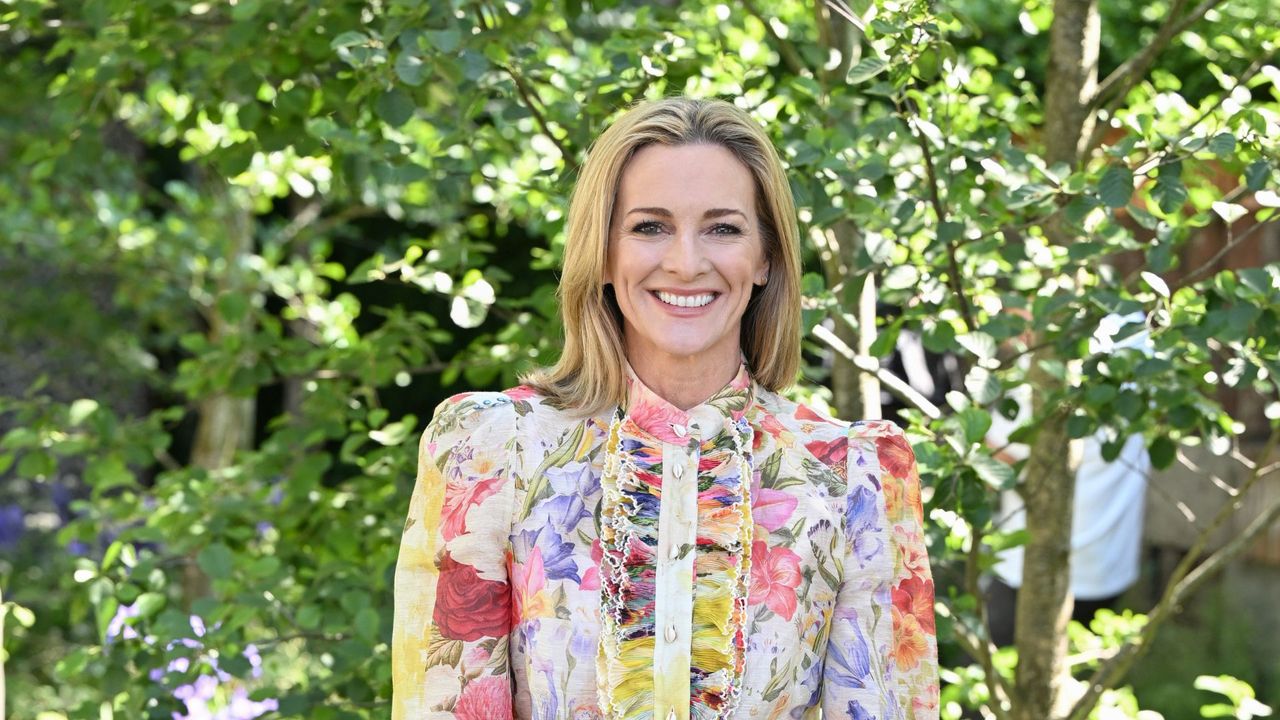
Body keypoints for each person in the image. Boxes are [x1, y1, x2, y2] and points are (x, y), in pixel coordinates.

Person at [392, 97, 938, 720]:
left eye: (723, 228)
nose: (685, 261)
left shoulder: (852, 474)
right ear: (602, 252)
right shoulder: (492, 448)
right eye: (649, 226)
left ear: (765, 258)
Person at [984, 313, 1152, 646]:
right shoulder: (1137, 337)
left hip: (1030, 569)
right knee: (1082, 669)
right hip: (1109, 566)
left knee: (989, 672)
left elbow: (992, 458)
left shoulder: (1043, 371)